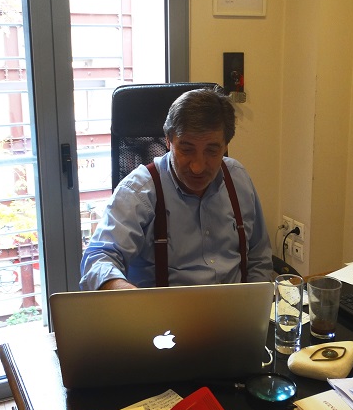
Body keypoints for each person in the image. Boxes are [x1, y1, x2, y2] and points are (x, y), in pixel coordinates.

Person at [80, 87, 273, 290]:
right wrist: (124, 292)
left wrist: (256, 299)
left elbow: (259, 255)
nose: (198, 167)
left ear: (226, 145)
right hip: (163, 309)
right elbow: (98, 259)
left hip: (236, 307)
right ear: (168, 140)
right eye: (186, 149)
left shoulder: (237, 179)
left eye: (211, 151)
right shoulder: (139, 191)